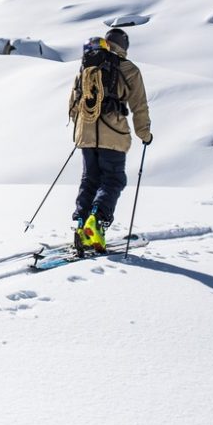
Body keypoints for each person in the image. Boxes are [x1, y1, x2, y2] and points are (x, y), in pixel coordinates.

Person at [68, 27, 151, 254]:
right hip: (112, 131)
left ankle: (80, 227)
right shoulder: (128, 69)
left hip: (85, 131)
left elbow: (74, 102)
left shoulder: (86, 67)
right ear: (123, 46)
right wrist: (144, 134)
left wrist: (80, 132)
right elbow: (139, 105)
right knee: (113, 180)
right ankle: (96, 222)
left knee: (90, 180)